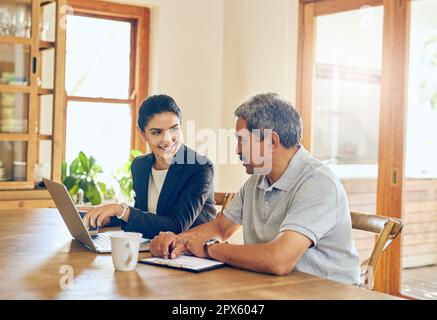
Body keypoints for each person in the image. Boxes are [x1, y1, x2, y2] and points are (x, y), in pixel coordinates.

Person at [150, 93, 360, 285]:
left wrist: (209, 249)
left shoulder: (318, 184)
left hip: (328, 293)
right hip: (278, 288)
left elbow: (279, 260)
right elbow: (222, 228)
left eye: (242, 140)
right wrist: (177, 239)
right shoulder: (258, 180)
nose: (237, 150)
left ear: (272, 141)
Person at [78, 94, 216, 239]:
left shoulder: (199, 167)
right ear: (142, 134)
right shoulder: (140, 165)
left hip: (193, 255)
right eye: (157, 132)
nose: (167, 139)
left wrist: (120, 210)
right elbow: (143, 216)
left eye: (174, 129)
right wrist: (104, 216)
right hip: (154, 249)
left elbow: (176, 226)